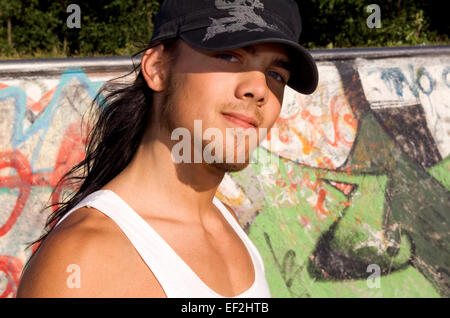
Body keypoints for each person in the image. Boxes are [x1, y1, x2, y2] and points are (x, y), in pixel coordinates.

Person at [16, 0, 318, 298]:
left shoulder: (227, 225)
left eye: (276, 74)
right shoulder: (84, 257)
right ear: (158, 68)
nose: (260, 88)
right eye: (228, 56)